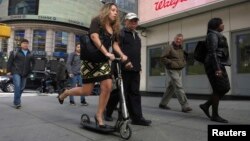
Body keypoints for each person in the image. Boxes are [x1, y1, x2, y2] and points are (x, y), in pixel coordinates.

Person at [57, 3, 128, 128]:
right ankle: (66, 93)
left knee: (107, 86)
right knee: (86, 91)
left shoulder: (114, 27)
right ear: (107, 11)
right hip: (90, 60)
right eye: (113, 10)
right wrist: (106, 52)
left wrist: (122, 55)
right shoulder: (97, 21)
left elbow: (115, 44)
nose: (115, 13)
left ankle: (99, 115)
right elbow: (94, 37)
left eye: (116, 11)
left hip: (103, 61)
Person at [105, 13, 152, 126]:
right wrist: (125, 61)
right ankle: (118, 115)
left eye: (135, 21)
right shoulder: (121, 33)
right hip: (122, 68)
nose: (134, 23)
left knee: (134, 93)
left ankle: (137, 118)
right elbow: (115, 48)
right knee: (122, 93)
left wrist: (138, 67)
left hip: (135, 69)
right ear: (125, 21)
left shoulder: (137, 36)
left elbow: (136, 54)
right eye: (131, 20)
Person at [199, 18, 231, 123]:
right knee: (220, 88)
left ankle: (206, 105)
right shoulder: (212, 35)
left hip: (217, 63)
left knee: (223, 88)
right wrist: (217, 68)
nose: (223, 25)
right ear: (216, 25)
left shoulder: (215, 34)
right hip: (214, 64)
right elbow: (212, 52)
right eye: (222, 23)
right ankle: (214, 115)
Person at [159, 34, 192, 113]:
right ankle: (185, 106)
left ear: (182, 41)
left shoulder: (181, 49)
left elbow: (182, 58)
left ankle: (163, 104)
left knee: (171, 87)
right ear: (174, 39)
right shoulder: (169, 47)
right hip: (171, 69)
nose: (178, 40)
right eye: (177, 39)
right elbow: (162, 57)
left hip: (179, 70)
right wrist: (170, 63)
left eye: (180, 39)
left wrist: (184, 62)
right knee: (179, 86)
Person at [7, 39, 35, 109]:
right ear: (21, 44)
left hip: (25, 73)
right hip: (16, 71)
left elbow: (34, 62)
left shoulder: (30, 53)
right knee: (17, 86)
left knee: (22, 88)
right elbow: (10, 61)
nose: (25, 44)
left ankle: (16, 100)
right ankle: (17, 103)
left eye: (27, 43)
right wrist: (9, 70)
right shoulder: (15, 52)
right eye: (24, 43)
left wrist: (31, 70)